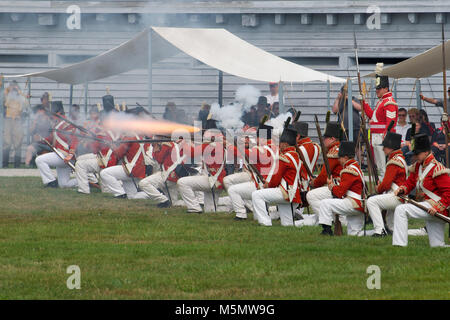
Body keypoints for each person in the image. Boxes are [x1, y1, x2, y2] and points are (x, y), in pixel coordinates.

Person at [393, 133, 450, 247]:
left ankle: (399, 245)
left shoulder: (436, 168)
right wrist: (402, 189)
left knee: (401, 210)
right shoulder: (418, 166)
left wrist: (438, 207)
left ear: (425, 152)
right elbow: (410, 182)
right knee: (437, 246)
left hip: (436, 208)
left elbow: (448, 191)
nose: (415, 157)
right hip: (427, 207)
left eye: (417, 154)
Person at [251, 127, 302, 227]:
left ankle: (265, 223)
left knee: (256, 195)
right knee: (288, 225)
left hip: (285, 192)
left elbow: (276, 179)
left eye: (281, 143)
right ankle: (312, 221)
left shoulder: (284, 158)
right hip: (293, 193)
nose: (279, 145)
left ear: (285, 144)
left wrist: (268, 185)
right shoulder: (295, 156)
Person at [227, 124, 278, 220]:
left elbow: (241, 153)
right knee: (257, 216)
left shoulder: (260, 149)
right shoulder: (275, 147)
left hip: (262, 184)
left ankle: (241, 214)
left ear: (261, 138)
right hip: (272, 183)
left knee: (232, 190)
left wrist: (229, 145)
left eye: (257, 138)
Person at [318, 141, 366, 236]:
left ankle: (326, 230)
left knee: (325, 203)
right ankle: (379, 232)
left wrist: (331, 186)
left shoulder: (347, 170)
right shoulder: (356, 167)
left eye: (339, 157)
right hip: (359, 204)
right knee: (355, 234)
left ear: (345, 157)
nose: (338, 160)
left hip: (352, 203)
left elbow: (339, 192)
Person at [100, 108, 149, 198]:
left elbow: (119, 153)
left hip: (130, 168)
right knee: (133, 196)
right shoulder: (140, 134)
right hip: (138, 169)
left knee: (104, 173)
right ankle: (154, 194)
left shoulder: (129, 136)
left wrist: (112, 146)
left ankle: (120, 193)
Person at [366, 131, 407, 236]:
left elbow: (386, 185)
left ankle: (379, 230)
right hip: (399, 195)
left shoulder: (393, 162)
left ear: (391, 148)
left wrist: (378, 188)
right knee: (393, 229)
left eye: (385, 146)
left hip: (396, 196)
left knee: (371, 201)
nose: (383, 149)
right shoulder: (400, 159)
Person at [304, 122, 343, 226]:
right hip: (340, 185)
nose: (324, 141)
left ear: (332, 139)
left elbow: (324, 176)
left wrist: (314, 183)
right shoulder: (339, 149)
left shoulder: (333, 152)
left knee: (311, 196)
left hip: (337, 186)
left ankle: (329, 220)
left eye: (326, 138)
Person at [362, 73, 398, 177]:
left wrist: (386, 139)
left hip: (382, 138)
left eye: (380, 88)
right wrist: (364, 103)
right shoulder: (382, 101)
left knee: (383, 168)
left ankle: (385, 189)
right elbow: (373, 117)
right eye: (377, 88)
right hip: (376, 137)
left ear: (386, 88)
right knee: (380, 167)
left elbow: (391, 123)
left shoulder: (389, 102)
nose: (377, 90)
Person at [35, 104, 79, 188]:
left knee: (39, 160)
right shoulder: (57, 125)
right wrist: (41, 139)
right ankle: (85, 180)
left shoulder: (67, 124)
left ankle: (51, 182)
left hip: (65, 155)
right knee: (64, 184)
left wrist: (70, 154)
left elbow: (74, 139)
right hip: (60, 155)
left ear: (58, 113)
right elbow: (52, 138)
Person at [3, 80, 29, 167]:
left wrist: (19, 92)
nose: (13, 87)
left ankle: (17, 165)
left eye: (15, 86)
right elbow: (2, 101)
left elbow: (26, 105)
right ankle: (5, 164)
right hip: (8, 120)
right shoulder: (6, 94)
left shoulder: (20, 96)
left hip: (18, 120)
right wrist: (7, 90)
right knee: (7, 142)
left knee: (18, 143)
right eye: (12, 86)